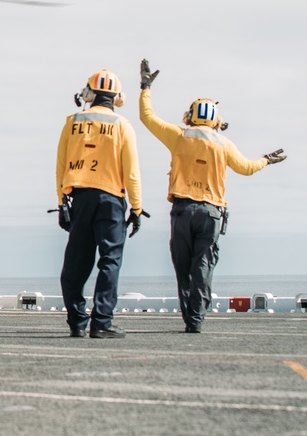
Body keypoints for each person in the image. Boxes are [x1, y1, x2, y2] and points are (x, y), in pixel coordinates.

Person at [138, 59, 286, 333]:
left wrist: (146, 87)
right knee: (203, 265)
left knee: (182, 267)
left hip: (182, 212)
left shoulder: (179, 135)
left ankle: (188, 319)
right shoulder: (224, 144)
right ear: (217, 121)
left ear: (190, 115)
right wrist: (266, 159)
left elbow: (147, 117)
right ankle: (196, 320)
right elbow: (246, 168)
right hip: (211, 213)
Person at [56, 69, 146, 339]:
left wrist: (61, 202)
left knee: (75, 263)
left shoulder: (72, 122)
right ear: (116, 98)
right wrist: (137, 209)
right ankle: (102, 323)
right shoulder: (123, 125)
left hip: (80, 198)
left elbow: (60, 166)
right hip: (111, 201)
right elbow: (132, 172)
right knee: (109, 262)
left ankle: (77, 321)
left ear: (89, 93)